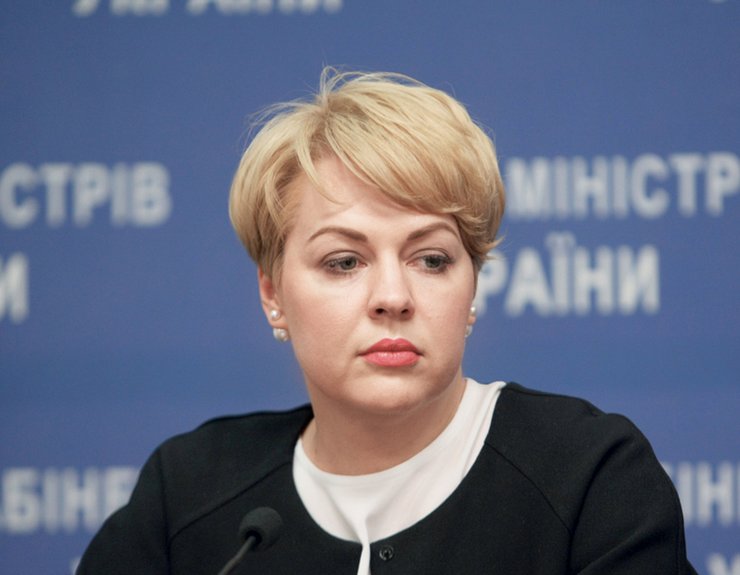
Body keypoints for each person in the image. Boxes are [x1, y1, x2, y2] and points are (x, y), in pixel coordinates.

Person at [77, 68, 697, 574]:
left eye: (431, 259)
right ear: (273, 294)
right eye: (344, 262)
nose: (393, 297)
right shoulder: (188, 493)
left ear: (472, 285)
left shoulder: (588, 476)